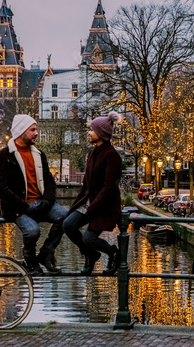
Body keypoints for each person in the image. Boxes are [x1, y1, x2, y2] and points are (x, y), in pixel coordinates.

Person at [0, 114, 67, 275]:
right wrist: (22, 206)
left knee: (66, 217)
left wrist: (48, 200)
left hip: (41, 203)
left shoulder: (39, 154)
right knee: (33, 231)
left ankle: (46, 253)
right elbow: (0, 187)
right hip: (18, 207)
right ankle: (30, 259)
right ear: (21, 131)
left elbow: (49, 181)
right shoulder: (3, 156)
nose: (36, 133)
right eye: (32, 130)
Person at [63, 111, 122, 275]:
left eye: (92, 130)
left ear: (101, 134)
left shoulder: (112, 155)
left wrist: (92, 207)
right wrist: (78, 202)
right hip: (89, 202)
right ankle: (90, 254)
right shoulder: (92, 153)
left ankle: (113, 253)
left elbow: (109, 187)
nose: (89, 133)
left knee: (89, 238)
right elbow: (87, 183)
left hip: (104, 206)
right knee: (68, 225)